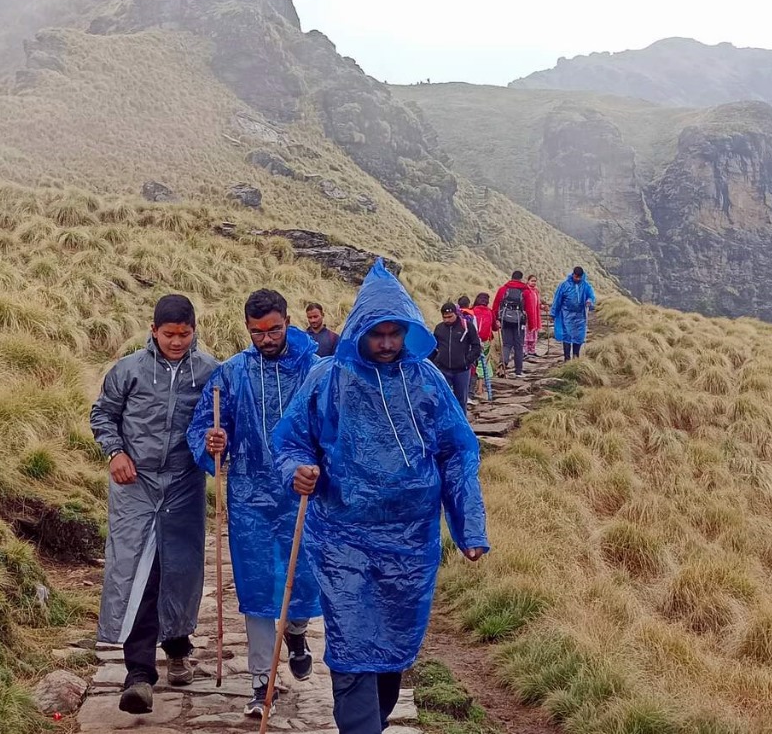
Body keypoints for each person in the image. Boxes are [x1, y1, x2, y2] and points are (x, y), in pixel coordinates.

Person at [273, 260, 490, 734]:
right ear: (360, 332)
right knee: (352, 645)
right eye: (378, 334)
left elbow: (457, 454)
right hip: (342, 536)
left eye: (396, 333)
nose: (387, 343)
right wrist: (298, 470)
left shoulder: (428, 382)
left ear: (408, 331)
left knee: (392, 648)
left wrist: (469, 527)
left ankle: (376, 716)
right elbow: (290, 440)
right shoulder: (327, 379)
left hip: (412, 540)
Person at [187, 290, 322, 717]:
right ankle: (262, 682)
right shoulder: (231, 374)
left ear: (288, 321)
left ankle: (297, 633)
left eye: (274, 329)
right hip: (250, 500)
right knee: (259, 588)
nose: (266, 338)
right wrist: (214, 442)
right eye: (257, 332)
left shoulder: (315, 371)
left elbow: (334, 426)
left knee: (304, 580)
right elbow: (206, 427)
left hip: (304, 494)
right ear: (247, 328)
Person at [90, 294, 220, 714]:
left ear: (194, 330)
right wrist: (115, 453)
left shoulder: (210, 372)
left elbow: (222, 424)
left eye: (185, 334)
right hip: (136, 484)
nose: (177, 342)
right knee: (138, 572)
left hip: (184, 484)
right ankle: (139, 675)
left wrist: (219, 443)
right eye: (169, 335)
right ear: (153, 331)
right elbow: (102, 414)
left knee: (179, 569)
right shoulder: (129, 369)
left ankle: (178, 646)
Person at [430, 302, 481, 409]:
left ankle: (463, 425)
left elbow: (477, 347)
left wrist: (467, 361)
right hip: (443, 370)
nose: (447, 320)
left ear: (456, 314)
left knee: (461, 401)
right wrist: (433, 364)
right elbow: (434, 348)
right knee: (443, 399)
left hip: (462, 371)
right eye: (444, 317)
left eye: (450, 317)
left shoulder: (467, 326)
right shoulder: (439, 328)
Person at [494, 271, 539, 378]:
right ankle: (518, 371)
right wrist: (532, 325)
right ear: (521, 279)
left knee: (506, 344)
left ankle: (503, 364)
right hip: (519, 322)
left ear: (512, 277)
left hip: (505, 320)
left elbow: (496, 305)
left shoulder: (503, 289)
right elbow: (530, 309)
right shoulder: (526, 291)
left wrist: (496, 320)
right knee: (519, 346)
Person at [551, 266, 597, 361]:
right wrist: (554, 313)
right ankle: (567, 359)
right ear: (573, 275)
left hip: (580, 316)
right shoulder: (564, 285)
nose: (578, 279)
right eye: (576, 277)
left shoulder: (586, 285)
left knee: (579, 336)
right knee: (567, 336)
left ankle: (576, 358)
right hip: (566, 315)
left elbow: (591, 295)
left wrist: (589, 300)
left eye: (579, 277)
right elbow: (557, 300)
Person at [470, 293, 495, 402]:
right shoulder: (490, 312)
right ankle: (481, 388)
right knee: (483, 362)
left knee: (474, 363)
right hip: (485, 341)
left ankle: (474, 388)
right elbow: (494, 327)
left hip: (473, 341)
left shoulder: (472, 310)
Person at [524, 275, 543, 358]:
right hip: (527, 316)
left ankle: (532, 350)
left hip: (535, 315)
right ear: (528, 281)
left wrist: (542, 307)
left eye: (535, 281)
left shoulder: (536, 291)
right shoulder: (525, 291)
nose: (533, 282)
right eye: (532, 281)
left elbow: (537, 304)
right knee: (526, 333)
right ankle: (525, 351)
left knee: (533, 333)